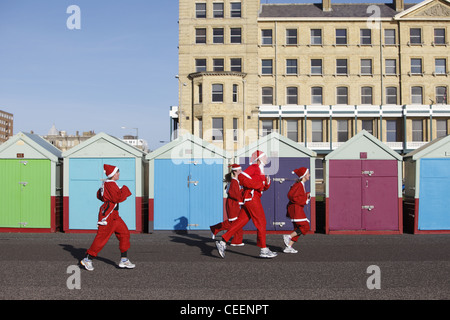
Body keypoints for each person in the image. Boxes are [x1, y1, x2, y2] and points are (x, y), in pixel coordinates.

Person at [216, 150, 277, 258]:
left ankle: (223, 241)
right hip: (251, 198)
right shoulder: (254, 167)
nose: (267, 158)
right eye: (265, 156)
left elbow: (262, 187)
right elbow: (242, 178)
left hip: (252, 198)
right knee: (261, 222)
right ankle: (263, 249)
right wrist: (259, 184)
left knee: (240, 222)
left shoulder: (260, 170)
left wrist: (267, 184)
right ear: (259, 159)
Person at [80, 164, 136, 271]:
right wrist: (124, 189)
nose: (119, 174)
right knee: (102, 238)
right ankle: (88, 258)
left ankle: (124, 259)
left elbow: (99, 195)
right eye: (117, 172)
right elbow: (117, 198)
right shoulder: (110, 184)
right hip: (109, 216)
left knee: (124, 233)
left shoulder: (108, 184)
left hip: (115, 216)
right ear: (112, 174)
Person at [210, 164, 244, 246]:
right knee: (232, 222)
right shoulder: (234, 181)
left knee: (238, 222)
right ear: (235, 171)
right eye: (239, 170)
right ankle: (214, 228)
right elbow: (233, 194)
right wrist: (242, 192)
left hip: (234, 203)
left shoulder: (235, 180)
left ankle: (237, 241)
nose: (241, 171)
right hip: (232, 203)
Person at [283, 167, 311, 253]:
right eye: (308, 173)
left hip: (296, 208)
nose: (309, 175)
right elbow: (291, 196)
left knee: (298, 228)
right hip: (296, 209)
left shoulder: (301, 185)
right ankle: (288, 237)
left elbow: (297, 196)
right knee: (305, 226)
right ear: (304, 176)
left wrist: (306, 195)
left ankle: (289, 246)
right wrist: (305, 199)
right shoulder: (298, 185)